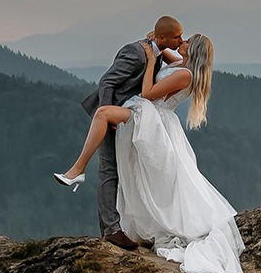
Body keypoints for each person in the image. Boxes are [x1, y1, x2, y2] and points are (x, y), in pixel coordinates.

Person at [56, 32, 244, 273]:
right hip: (148, 116)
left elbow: (148, 93)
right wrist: (155, 42)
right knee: (119, 145)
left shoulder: (185, 75)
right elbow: (160, 50)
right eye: (180, 38)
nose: (182, 42)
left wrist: (149, 64)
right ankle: (78, 171)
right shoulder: (180, 64)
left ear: (193, 50)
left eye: (186, 41)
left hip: (153, 119)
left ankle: (78, 170)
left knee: (102, 114)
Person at [65, 17, 184, 249]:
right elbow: (107, 82)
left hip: (131, 118)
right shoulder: (137, 53)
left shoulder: (156, 52)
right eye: (177, 36)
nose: (181, 39)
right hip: (113, 117)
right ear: (162, 37)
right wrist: (108, 115)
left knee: (122, 171)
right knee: (110, 169)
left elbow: (176, 59)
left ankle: (113, 229)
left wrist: (158, 46)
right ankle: (112, 230)